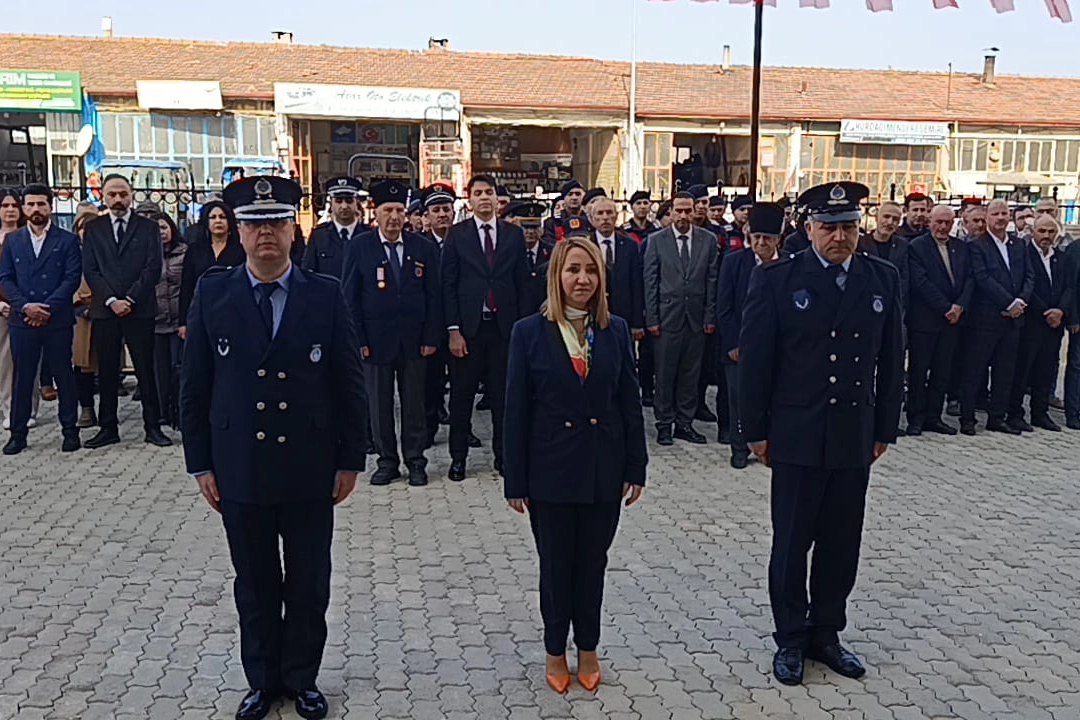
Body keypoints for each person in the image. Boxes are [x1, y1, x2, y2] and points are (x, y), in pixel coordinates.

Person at [180, 176, 367, 720]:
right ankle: (262, 680)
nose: (267, 232)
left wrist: (351, 458)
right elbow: (195, 386)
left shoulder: (324, 292)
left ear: (294, 230)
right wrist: (201, 464)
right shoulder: (213, 293)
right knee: (256, 583)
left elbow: (348, 382)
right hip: (240, 466)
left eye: (277, 222)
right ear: (239, 232)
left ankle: (302, 677)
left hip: (309, 466)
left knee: (308, 582)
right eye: (255, 223)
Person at [738, 181, 904, 687]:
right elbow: (756, 364)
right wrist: (755, 431)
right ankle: (790, 635)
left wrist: (885, 428)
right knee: (791, 542)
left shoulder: (882, 278)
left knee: (840, 541)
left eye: (849, 226)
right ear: (807, 228)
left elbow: (892, 359)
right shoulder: (777, 280)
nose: (839, 236)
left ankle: (826, 631)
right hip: (796, 433)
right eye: (829, 227)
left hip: (853, 433)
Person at [503, 236, 647, 695]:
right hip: (551, 473)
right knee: (556, 568)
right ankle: (554, 651)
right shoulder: (528, 332)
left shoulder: (616, 330)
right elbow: (516, 411)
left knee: (592, 565)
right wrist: (516, 479)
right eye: (572, 270)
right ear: (556, 276)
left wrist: (636, 466)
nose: (581, 279)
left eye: (590, 270)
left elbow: (629, 400)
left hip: (603, 470)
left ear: (601, 278)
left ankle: (588, 648)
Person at [343, 180, 441, 487]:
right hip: (375, 341)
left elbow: (434, 296)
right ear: (376, 212)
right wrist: (358, 340)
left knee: (414, 403)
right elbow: (350, 298)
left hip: (413, 341)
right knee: (379, 404)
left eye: (400, 210)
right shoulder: (360, 247)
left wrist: (430, 337)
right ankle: (387, 461)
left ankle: (415, 461)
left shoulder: (422, 247)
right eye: (388, 210)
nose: (395, 217)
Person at [441, 174, 530, 481]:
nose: (483, 198)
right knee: (462, 398)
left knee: (504, 397)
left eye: (488, 192)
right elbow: (448, 285)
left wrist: (522, 329)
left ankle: (504, 457)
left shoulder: (513, 235)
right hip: (468, 330)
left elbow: (523, 284)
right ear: (469, 200)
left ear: (496, 198)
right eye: (477, 193)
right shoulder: (457, 235)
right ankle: (458, 458)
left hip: (504, 330)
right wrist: (453, 330)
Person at [81, 174, 171, 448]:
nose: (118, 199)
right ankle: (108, 427)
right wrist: (111, 300)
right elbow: (91, 269)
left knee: (145, 368)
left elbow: (153, 267)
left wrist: (130, 298)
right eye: (112, 194)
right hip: (106, 311)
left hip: (139, 308)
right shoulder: (94, 228)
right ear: (103, 197)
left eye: (123, 193)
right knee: (107, 370)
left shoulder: (147, 228)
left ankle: (152, 426)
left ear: (131, 195)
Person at [0, 184, 82, 454]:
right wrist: (25, 307)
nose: (36, 209)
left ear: (50, 206)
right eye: (31, 204)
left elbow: (71, 279)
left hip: (56, 319)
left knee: (63, 376)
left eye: (41, 204)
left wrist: (46, 308)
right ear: (24, 208)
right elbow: (6, 278)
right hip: (23, 320)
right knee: (22, 378)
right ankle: (18, 434)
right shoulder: (13, 241)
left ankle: (70, 431)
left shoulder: (67, 240)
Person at [643, 192, 719, 446]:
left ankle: (684, 423)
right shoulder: (656, 241)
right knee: (665, 373)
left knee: (690, 373)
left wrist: (709, 316)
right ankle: (664, 423)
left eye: (688, 210)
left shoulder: (708, 240)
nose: (684, 216)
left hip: (696, 318)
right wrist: (652, 318)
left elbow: (712, 280)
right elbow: (650, 281)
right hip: (666, 318)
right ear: (671, 212)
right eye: (679, 211)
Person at [717, 202, 785, 469]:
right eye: (756, 237)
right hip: (740, 346)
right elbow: (724, 307)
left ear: (777, 239)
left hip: (776, 346)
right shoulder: (734, 262)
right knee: (738, 397)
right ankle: (738, 446)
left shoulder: (789, 264)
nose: (760, 243)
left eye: (767, 238)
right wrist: (733, 343)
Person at [960, 199, 1035, 436]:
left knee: (1005, 370)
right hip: (986, 319)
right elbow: (982, 279)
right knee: (975, 370)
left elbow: (1029, 276)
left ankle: (997, 417)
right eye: (995, 214)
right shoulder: (977, 245)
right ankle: (967, 417)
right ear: (988, 217)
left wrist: (1020, 301)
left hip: (1013, 320)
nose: (1001, 218)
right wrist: (1008, 302)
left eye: (1004, 213)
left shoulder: (1018, 245)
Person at [1006, 214, 1077, 432]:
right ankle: (1015, 413)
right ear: (1033, 232)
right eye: (1042, 231)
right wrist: (1046, 310)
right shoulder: (1025, 255)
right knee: (1023, 369)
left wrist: (1061, 310)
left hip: (1054, 324)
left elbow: (1069, 287)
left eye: (1051, 232)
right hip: (1032, 321)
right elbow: (1028, 286)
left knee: (1046, 370)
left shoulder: (1061, 258)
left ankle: (1040, 412)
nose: (1046, 236)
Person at [906, 205, 973, 436]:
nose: (943, 227)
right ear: (930, 222)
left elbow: (969, 279)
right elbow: (920, 282)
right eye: (939, 222)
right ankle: (915, 417)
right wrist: (946, 307)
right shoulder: (917, 247)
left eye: (947, 222)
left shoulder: (961, 247)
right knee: (918, 371)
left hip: (953, 321)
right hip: (926, 321)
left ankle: (934, 416)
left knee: (942, 372)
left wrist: (960, 306)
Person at [179, 200, 245, 340]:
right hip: (202, 312)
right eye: (213, 217)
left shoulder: (241, 249)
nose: (218, 221)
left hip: (235, 312)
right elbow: (187, 286)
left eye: (222, 217)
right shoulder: (196, 250)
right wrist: (183, 322)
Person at [590, 198, 644, 338]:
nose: (605, 218)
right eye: (600, 213)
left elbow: (636, 285)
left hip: (624, 316)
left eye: (609, 213)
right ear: (592, 218)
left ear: (616, 216)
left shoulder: (630, 246)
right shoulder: (586, 244)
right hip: (594, 314)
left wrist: (637, 322)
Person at [152, 212, 187, 429]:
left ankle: (181, 412)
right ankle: (163, 412)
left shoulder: (184, 253)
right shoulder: (146, 254)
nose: (161, 233)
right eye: (156, 229)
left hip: (178, 321)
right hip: (155, 321)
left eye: (164, 228)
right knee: (159, 371)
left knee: (180, 369)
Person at [302, 177, 365, 280]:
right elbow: (308, 274)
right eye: (338, 201)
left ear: (356, 202)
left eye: (349, 200)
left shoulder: (369, 235)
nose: (344, 206)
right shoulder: (319, 236)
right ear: (331, 203)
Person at [71, 210, 99, 429]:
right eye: (83, 228)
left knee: (107, 365)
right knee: (82, 364)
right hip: (79, 313)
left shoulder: (107, 251)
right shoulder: (70, 253)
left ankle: (109, 411)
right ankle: (87, 408)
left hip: (106, 310)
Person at [507, 200, 552, 314]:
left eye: (535, 227)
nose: (530, 232)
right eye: (526, 227)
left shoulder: (552, 251)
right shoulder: (509, 252)